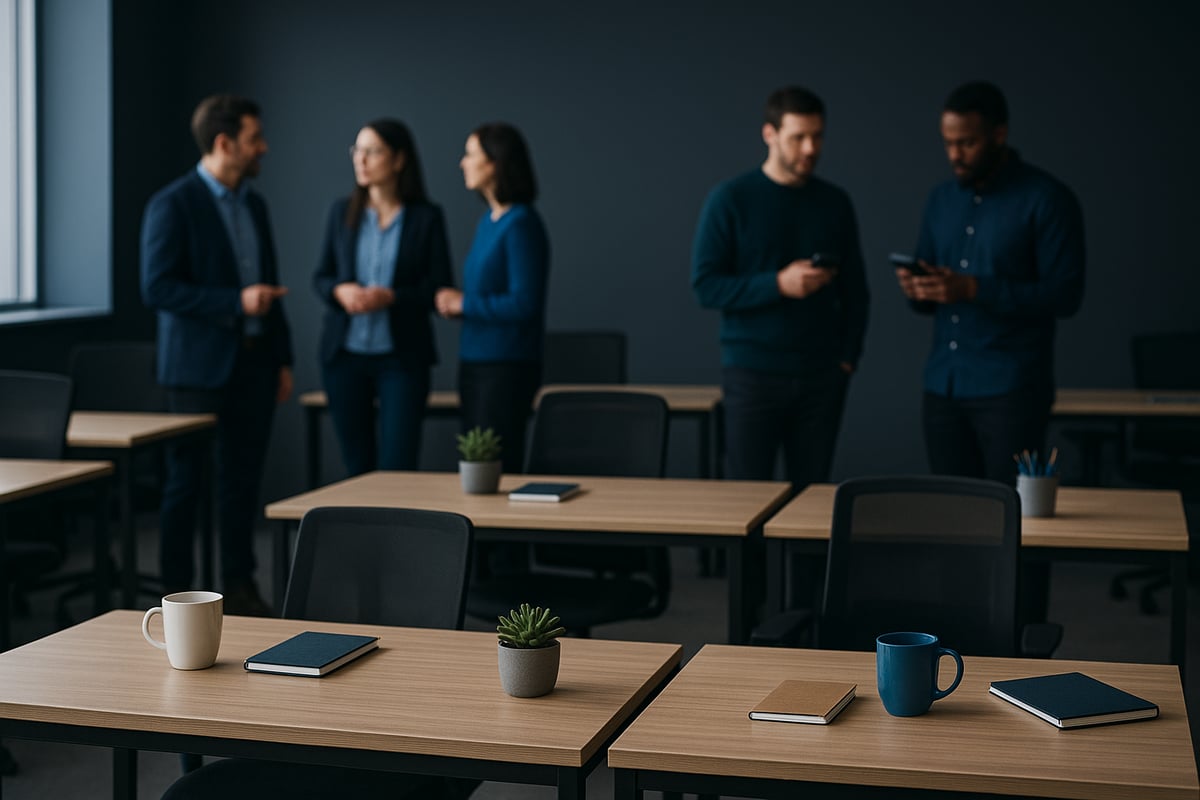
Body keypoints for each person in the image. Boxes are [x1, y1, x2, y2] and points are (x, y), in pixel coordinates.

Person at [141, 94, 293, 617]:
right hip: (195, 371)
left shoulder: (255, 204)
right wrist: (234, 301)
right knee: (185, 485)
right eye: (255, 139)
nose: (264, 148)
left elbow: (271, 289)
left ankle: (240, 585)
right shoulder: (173, 203)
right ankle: (175, 596)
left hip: (255, 363)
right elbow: (157, 287)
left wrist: (283, 359)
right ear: (225, 143)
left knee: (242, 480)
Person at [895, 81, 1085, 484]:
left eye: (967, 143)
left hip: (1011, 390)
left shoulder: (1047, 199)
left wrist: (975, 289)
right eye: (947, 143)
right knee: (949, 515)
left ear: (999, 134)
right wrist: (920, 289)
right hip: (942, 387)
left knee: (1007, 520)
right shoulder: (941, 199)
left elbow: (1065, 295)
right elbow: (932, 297)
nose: (954, 155)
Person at [692, 86, 869, 491]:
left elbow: (856, 290)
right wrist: (777, 284)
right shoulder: (730, 199)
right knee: (746, 502)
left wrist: (847, 359)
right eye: (798, 137)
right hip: (752, 375)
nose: (810, 148)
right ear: (769, 135)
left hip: (821, 377)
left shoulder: (834, 202)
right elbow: (706, 287)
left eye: (818, 136)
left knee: (812, 504)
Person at [314, 119, 452, 476]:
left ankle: (398, 534)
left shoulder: (426, 218)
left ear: (398, 159)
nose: (361, 160)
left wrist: (391, 296)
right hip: (345, 357)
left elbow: (439, 287)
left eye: (372, 151)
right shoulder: (340, 212)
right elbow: (321, 277)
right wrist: (339, 290)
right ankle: (360, 535)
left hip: (402, 358)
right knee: (356, 466)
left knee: (398, 466)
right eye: (357, 150)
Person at [435, 123, 549, 474]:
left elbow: (524, 303)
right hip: (475, 362)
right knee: (475, 468)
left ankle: (503, 533)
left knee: (495, 469)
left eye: (471, 155)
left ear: (495, 163)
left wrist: (464, 304)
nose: (462, 163)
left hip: (505, 367)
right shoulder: (489, 220)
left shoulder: (522, 224)